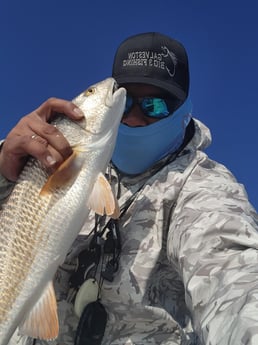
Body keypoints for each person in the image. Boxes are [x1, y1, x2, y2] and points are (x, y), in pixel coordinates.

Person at [1, 32, 258, 345]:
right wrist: (5, 171)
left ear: (183, 111)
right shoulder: (50, 161)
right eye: (127, 105)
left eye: (155, 105)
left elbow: (234, 276)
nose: (135, 119)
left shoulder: (203, 186)